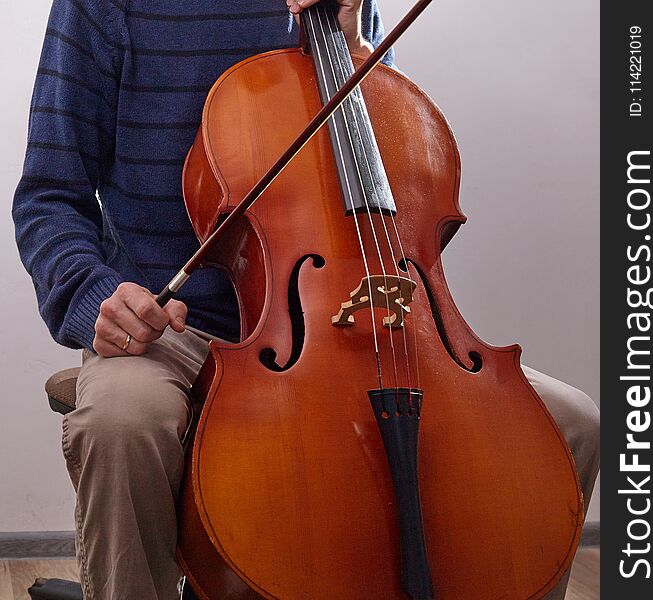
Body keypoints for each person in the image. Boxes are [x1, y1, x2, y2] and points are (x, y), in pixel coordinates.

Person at [13, 0, 600, 598]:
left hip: (350, 317)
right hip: (173, 327)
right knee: (121, 422)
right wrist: (94, 298)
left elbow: (389, 164)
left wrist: (355, 48)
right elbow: (48, 194)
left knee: (570, 423)